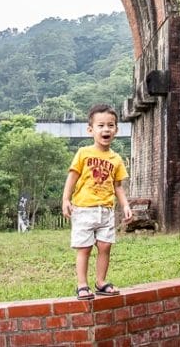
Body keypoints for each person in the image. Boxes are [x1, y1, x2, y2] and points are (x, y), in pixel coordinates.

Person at [61, 103, 133, 300]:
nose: (106, 129)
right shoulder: (83, 153)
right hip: (83, 209)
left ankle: (101, 282)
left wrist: (125, 205)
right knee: (84, 248)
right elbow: (73, 177)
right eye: (100, 125)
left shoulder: (116, 159)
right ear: (90, 129)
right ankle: (82, 285)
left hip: (106, 210)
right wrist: (66, 199)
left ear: (116, 130)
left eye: (110, 125)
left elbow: (118, 186)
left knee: (105, 246)